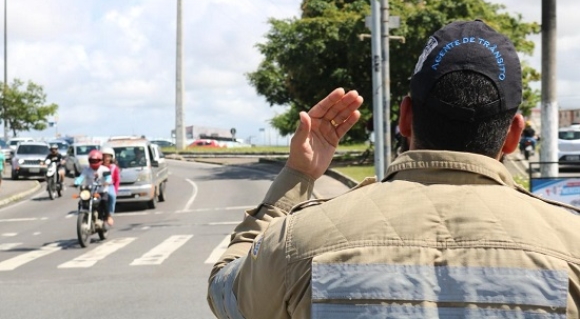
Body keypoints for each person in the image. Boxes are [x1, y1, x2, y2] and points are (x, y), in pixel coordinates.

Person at [207, 20, 580, 318]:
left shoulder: (297, 241)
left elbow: (226, 293)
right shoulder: (572, 245)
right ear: (514, 134)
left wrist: (296, 178)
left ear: (404, 118)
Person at [74, 150, 114, 226]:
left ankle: (108, 216)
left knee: (104, 201)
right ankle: (82, 216)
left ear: (100, 160)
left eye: (96, 160)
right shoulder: (86, 169)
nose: (94, 162)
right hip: (89, 192)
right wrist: (76, 183)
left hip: (101, 191)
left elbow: (109, 178)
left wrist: (107, 182)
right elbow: (81, 177)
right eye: (92, 160)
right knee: (81, 201)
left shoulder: (105, 169)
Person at [101, 147, 120, 216]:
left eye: (108, 156)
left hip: (109, 186)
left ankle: (110, 214)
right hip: (98, 186)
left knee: (112, 196)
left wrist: (115, 190)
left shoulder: (114, 167)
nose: (106, 158)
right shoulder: (98, 166)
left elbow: (117, 180)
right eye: (104, 156)